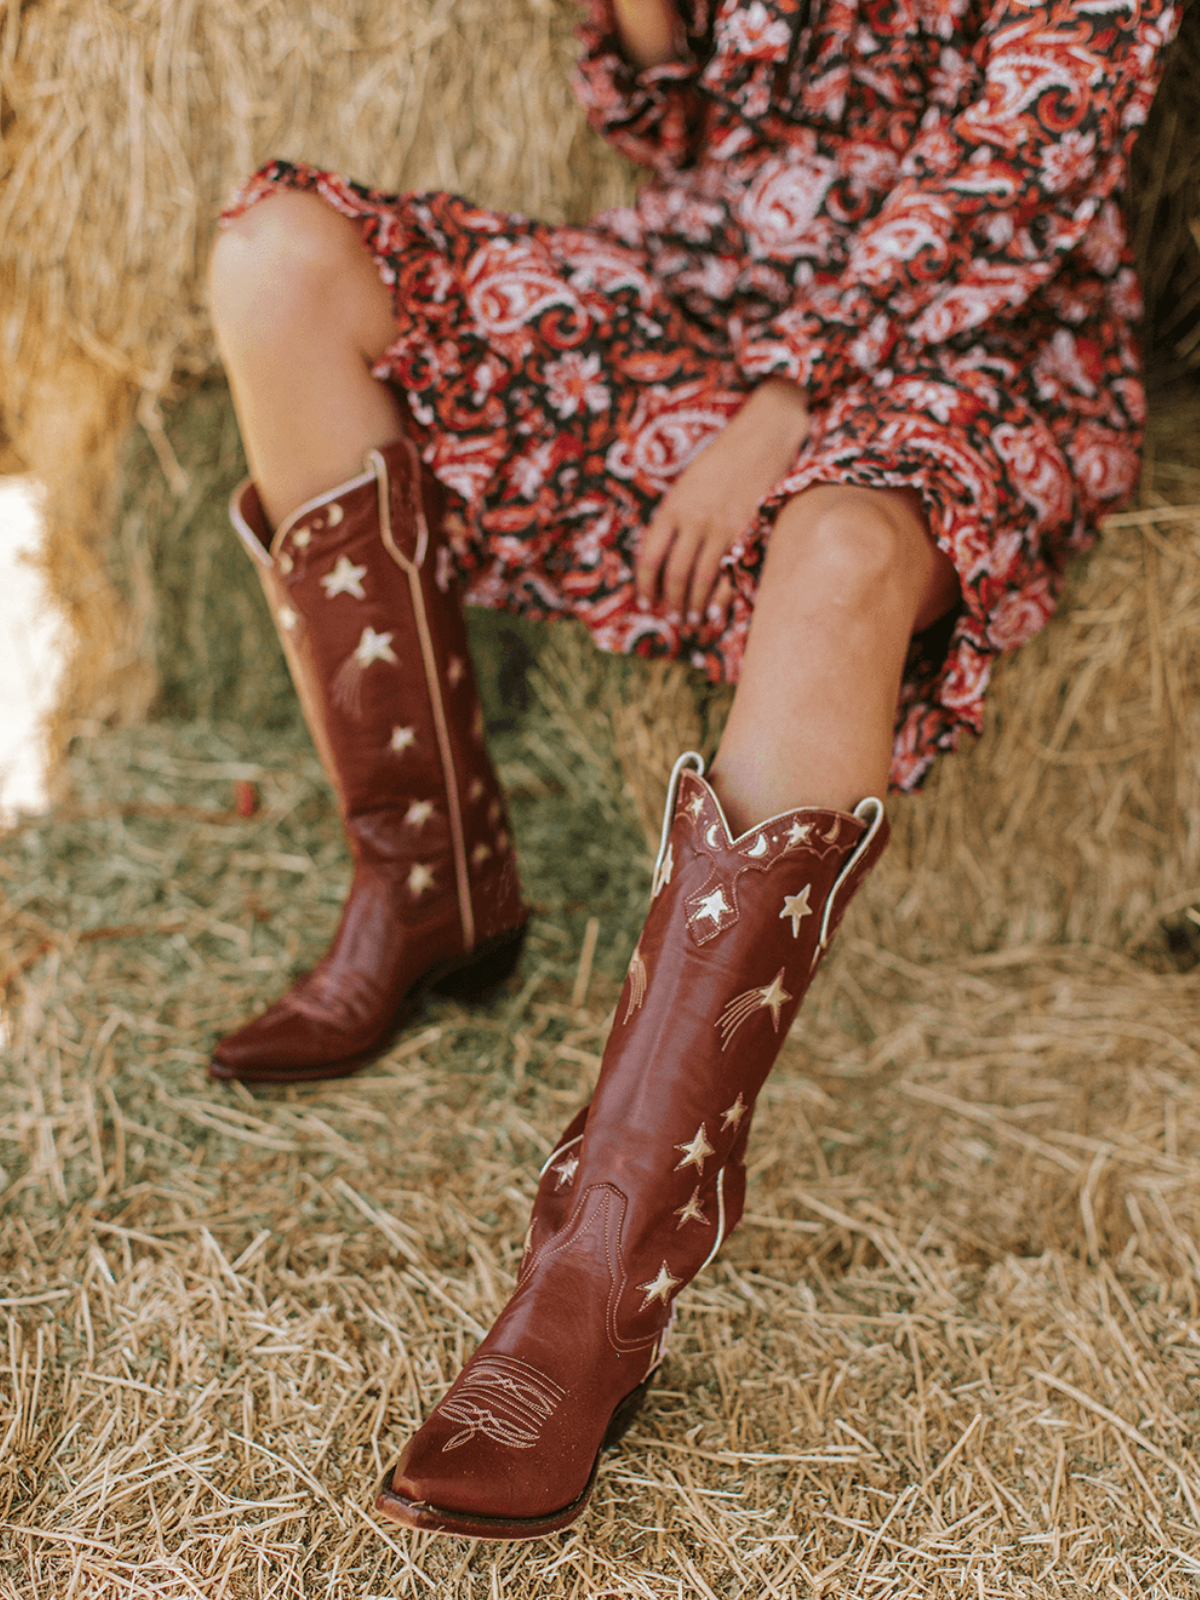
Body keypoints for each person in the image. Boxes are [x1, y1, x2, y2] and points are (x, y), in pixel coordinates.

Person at [207, 0, 1178, 1540]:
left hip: (971, 327)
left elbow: (1022, 166)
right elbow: (684, 119)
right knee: (279, 258)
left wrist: (786, 404)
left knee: (845, 547)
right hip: (719, 280)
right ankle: (424, 883)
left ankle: (597, 1276)